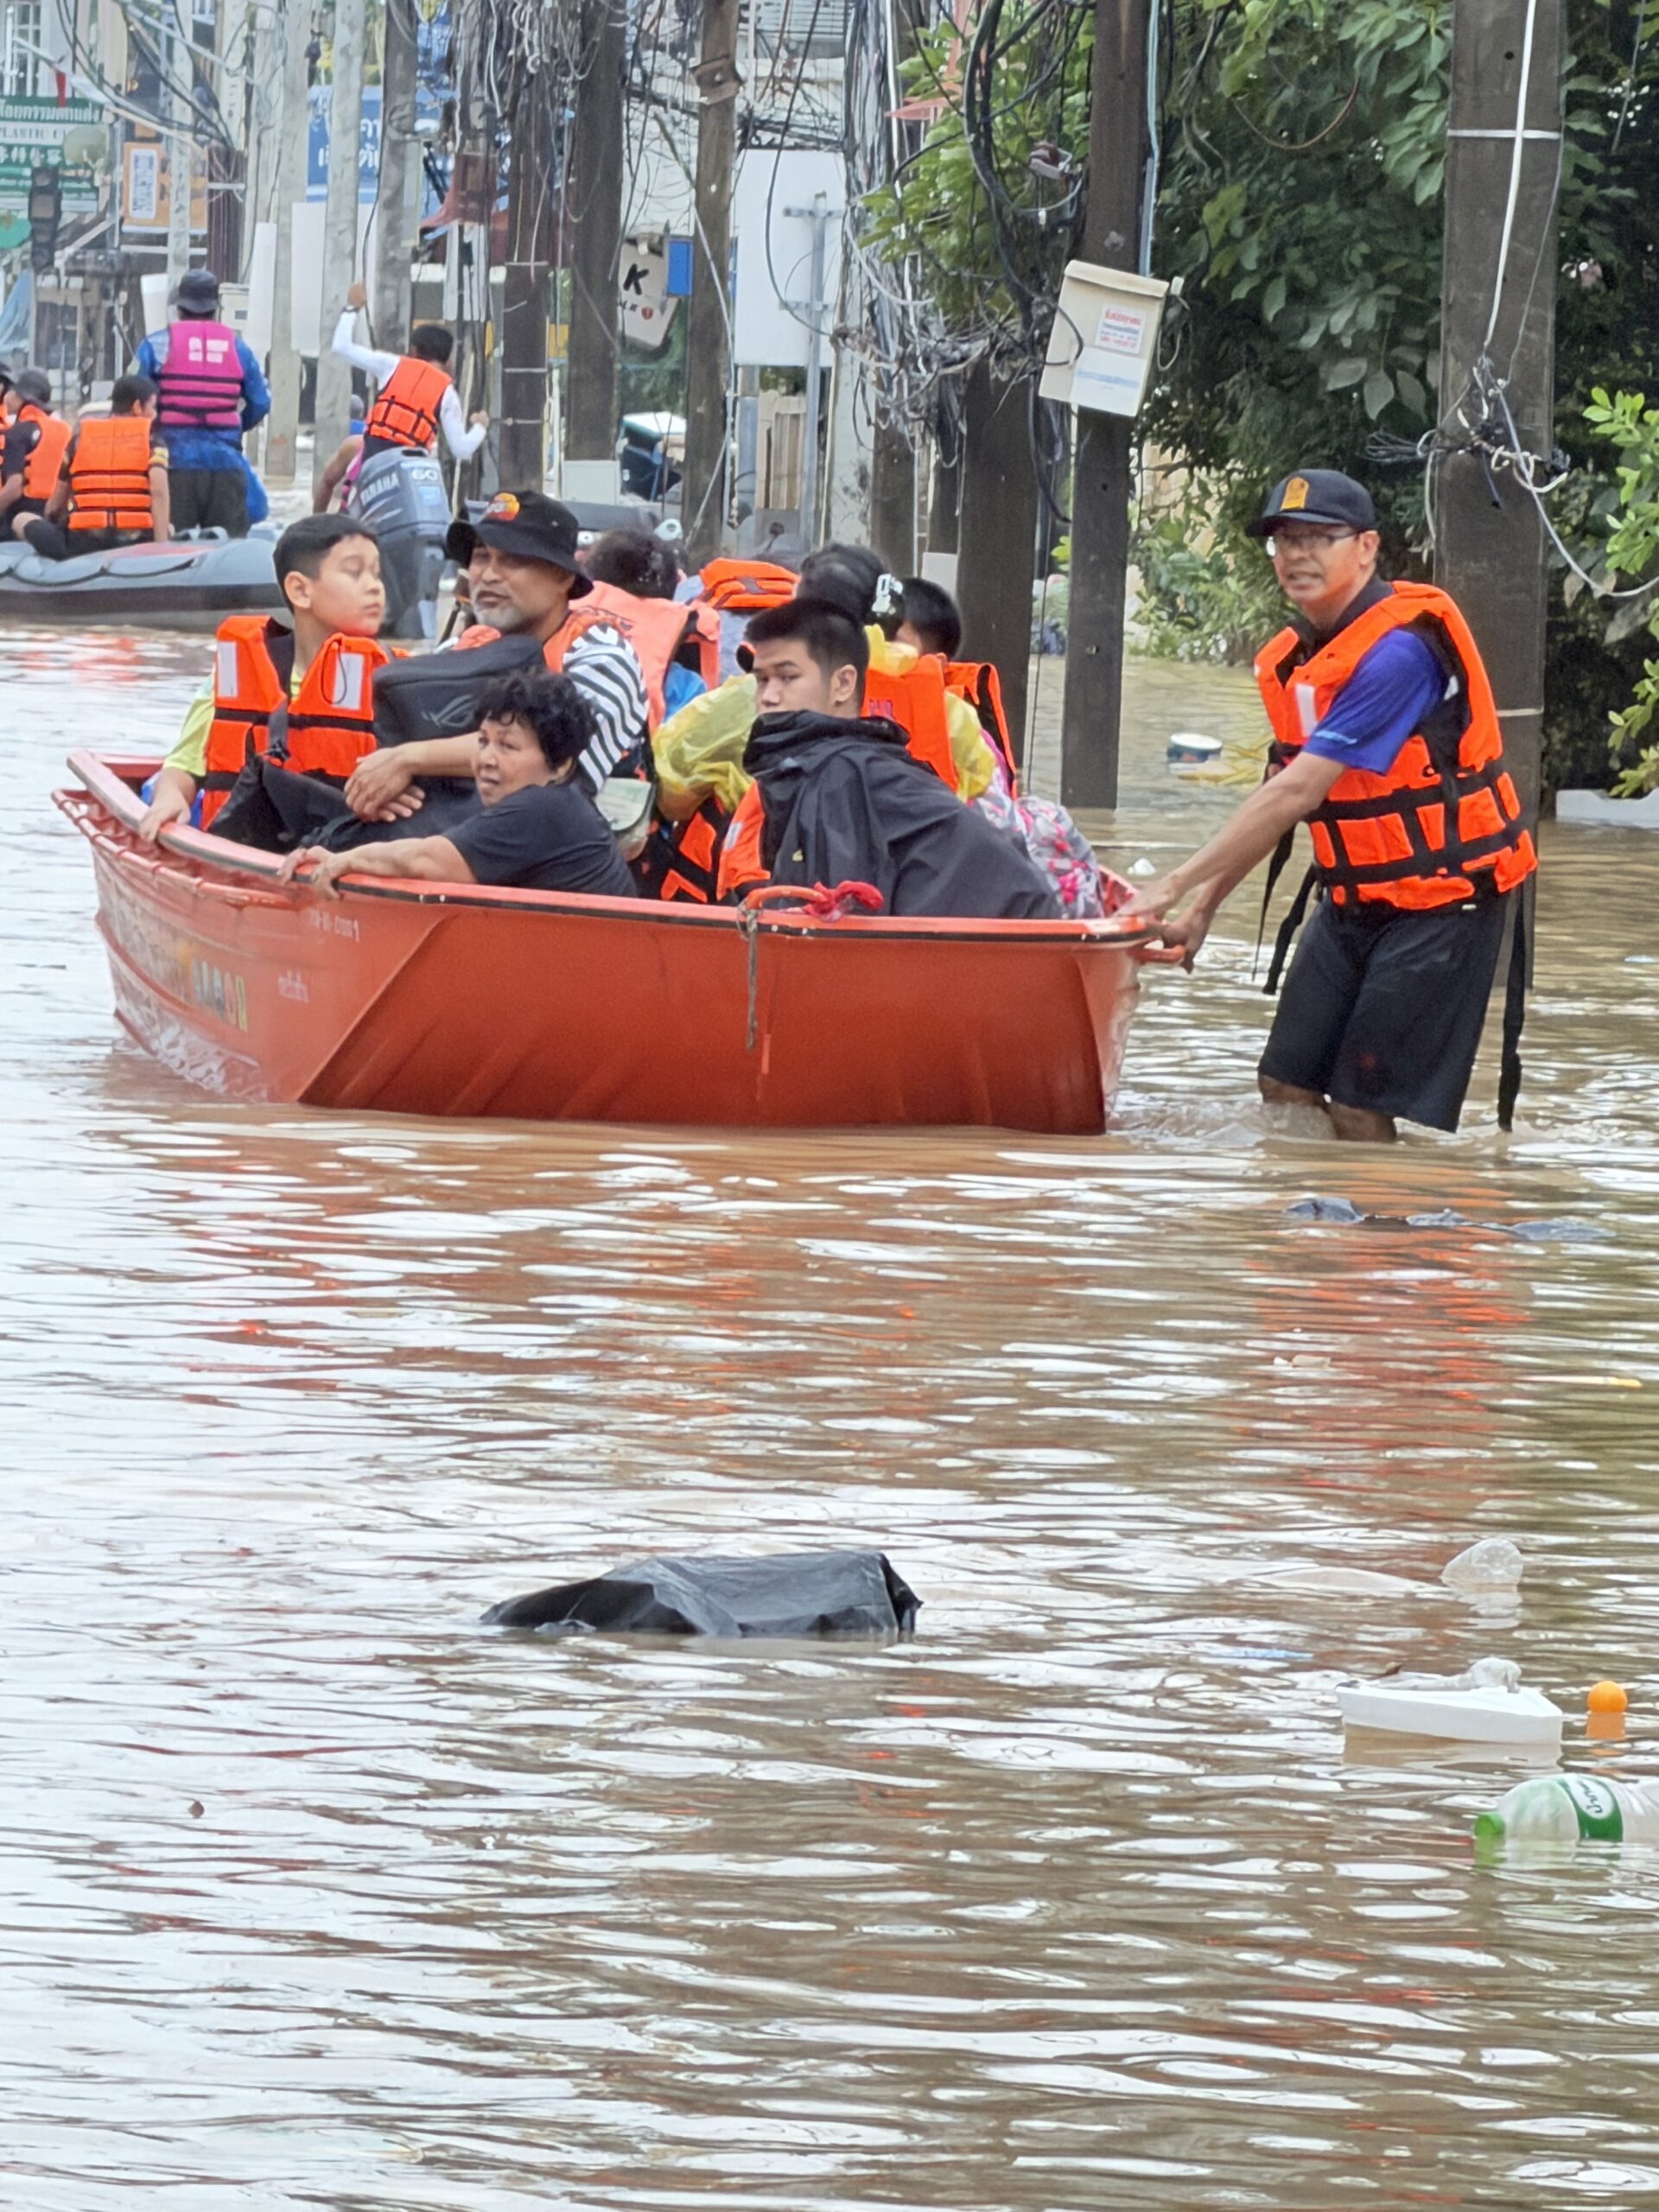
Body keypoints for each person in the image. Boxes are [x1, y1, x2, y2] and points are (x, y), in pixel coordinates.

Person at [1126, 468, 1538, 1141]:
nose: (1298, 555)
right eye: (1285, 540)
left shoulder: (1401, 654)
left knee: (1358, 1104)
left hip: (1445, 901)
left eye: (1321, 538)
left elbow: (1300, 790)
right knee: (1285, 1088)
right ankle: (1309, 1233)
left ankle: (1380, 1239)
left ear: (1368, 548)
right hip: (1355, 899)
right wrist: (1203, 907)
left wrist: (1170, 885)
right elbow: (1277, 795)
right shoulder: (1300, 660)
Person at [716, 598, 1059, 920]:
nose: (769, 697)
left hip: (998, 950)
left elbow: (836, 931)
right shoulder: (830, 766)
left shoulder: (839, 777)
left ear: (843, 684)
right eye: (761, 680)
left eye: (788, 677)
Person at [339, 490, 649, 828]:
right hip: (453, 826)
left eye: (513, 561)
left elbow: (551, 755)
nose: (488, 575)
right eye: (481, 557)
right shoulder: (466, 645)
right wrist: (385, 785)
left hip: (561, 851)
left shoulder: (602, 656)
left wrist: (406, 760)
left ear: (563, 577)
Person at [279, 668, 636, 901]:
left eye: (508, 746)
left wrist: (344, 860)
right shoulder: (560, 804)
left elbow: (425, 859)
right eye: (483, 741)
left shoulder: (544, 809)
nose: (486, 759)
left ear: (560, 765)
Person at [137, 512, 387, 842]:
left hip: (346, 850)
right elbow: (183, 765)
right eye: (354, 572)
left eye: (377, 574)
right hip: (240, 843)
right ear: (300, 590)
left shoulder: (398, 679)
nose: (374, 587)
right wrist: (170, 798)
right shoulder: (234, 676)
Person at [132, 268, 270, 537]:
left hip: (172, 466)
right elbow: (261, 402)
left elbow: (131, 399)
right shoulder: (237, 348)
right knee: (228, 553)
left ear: (179, 308)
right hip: (225, 465)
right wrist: (235, 429)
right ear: (215, 308)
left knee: (171, 552)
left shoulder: (156, 345)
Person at [332, 282, 489, 467]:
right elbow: (462, 449)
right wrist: (480, 426)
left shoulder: (392, 365)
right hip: (411, 470)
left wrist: (352, 308)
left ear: (414, 350)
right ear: (447, 360)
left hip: (373, 463)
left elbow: (341, 346)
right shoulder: (447, 394)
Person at [19, 374, 169, 559]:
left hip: (83, 545)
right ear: (137, 407)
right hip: (135, 542)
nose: (155, 414)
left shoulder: (79, 440)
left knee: (21, 519)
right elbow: (159, 491)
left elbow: (54, 506)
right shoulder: (152, 440)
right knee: (169, 527)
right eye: (153, 407)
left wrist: (54, 521)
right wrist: (162, 550)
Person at [0, 369, 71, 535]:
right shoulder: (64, 430)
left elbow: (13, 489)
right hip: (53, 516)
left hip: (20, 519)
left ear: (21, 397)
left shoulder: (17, 433)